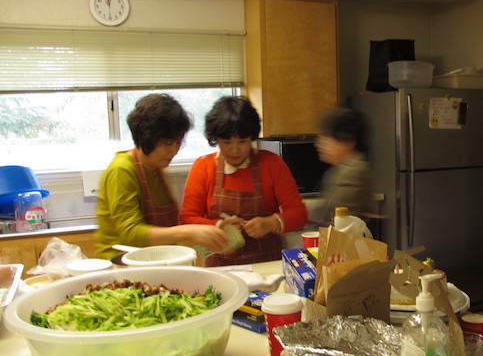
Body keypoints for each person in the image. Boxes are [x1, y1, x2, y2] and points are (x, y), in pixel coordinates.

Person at [95, 94, 230, 260]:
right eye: (167, 143)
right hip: (121, 264)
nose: (174, 151)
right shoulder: (121, 170)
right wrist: (189, 231)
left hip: (151, 260)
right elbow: (130, 233)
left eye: (178, 142)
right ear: (146, 137)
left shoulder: (156, 167)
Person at [180, 96, 307, 265]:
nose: (235, 150)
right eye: (226, 142)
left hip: (267, 263)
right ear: (216, 139)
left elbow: (299, 214)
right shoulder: (203, 167)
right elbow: (187, 218)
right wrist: (219, 225)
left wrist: (271, 223)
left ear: (252, 138)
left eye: (242, 141)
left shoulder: (271, 164)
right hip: (219, 264)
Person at [309, 107, 375, 226]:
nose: (318, 144)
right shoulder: (341, 168)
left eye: (326, 139)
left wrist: (296, 208)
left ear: (347, 142)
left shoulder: (353, 172)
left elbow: (331, 213)